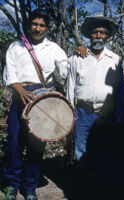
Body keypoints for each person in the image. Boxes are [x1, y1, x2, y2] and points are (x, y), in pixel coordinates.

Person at [2, 9, 69, 200]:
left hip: (42, 99)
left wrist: (80, 53)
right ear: (29, 25)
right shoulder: (16, 47)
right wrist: (21, 90)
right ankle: (11, 187)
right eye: (34, 24)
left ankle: (30, 187)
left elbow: (66, 69)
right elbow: (10, 75)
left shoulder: (54, 48)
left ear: (47, 28)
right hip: (19, 96)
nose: (37, 28)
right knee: (14, 143)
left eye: (42, 25)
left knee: (36, 145)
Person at [66, 14, 124, 179]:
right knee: (81, 150)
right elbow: (70, 88)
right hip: (82, 113)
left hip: (106, 114)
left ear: (107, 36)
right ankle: (82, 187)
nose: (99, 36)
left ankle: (100, 188)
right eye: (95, 32)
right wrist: (70, 115)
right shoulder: (77, 58)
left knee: (104, 150)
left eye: (102, 32)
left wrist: (121, 117)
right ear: (89, 35)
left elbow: (121, 91)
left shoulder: (115, 60)